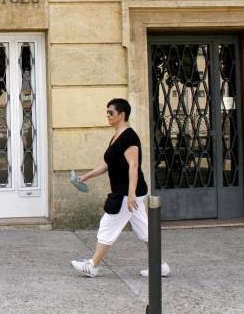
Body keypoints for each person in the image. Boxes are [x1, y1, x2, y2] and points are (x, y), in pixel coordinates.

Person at [70, 98, 171, 278]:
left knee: (108, 225)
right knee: (145, 230)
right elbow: (107, 163)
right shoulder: (116, 136)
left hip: (126, 193)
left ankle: (93, 265)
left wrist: (131, 194)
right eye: (107, 113)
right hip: (128, 192)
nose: (107, 116)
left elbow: (134, 165)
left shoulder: (129, 137)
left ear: (122, 114)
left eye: (111, 113)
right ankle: (160, 266)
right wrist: (86, 176)